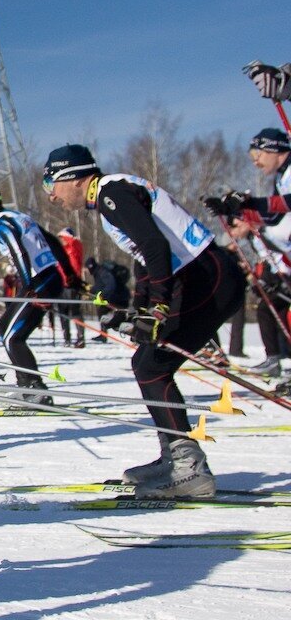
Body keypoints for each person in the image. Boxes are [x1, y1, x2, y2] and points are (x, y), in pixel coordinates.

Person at [44, 143, 243, 498]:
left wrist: (159, 307)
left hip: (205, 275)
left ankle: (188, 467)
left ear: (73, 178)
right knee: (147, 362)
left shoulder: (111, 193)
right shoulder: (112, 196)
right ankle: (175, 456)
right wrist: (140, 307)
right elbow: (145, 257)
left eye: (51, 186)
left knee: (152, 366)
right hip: (203, 275)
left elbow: (154, 246)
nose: (52, 197)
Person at [206, 128, 291, 377]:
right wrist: (235, 209)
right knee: (271, 308)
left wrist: (247, 205)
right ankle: (276, 360)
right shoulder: (281, 177)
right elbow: (274, 216)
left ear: (274, 149)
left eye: (258, 153)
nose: (254, 160)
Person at [0, 184, 62, 403]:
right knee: (4, 328)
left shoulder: (2, 224)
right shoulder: (18, 216)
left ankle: (35, 388)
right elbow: (53, 242)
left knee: (12, 336)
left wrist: (29, 287)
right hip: (45, 279)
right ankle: (26, 385)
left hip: (39, 282)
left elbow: (18, 252)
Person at [56, 227, 86, 347]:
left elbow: (74, 264)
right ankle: (67, 338)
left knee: (73, 311)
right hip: (63, 283)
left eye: (62, 238)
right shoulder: (67, 248)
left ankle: (79, 337)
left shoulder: (72, 247)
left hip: (70, 284)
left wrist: (71, 277)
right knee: (64, 312)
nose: (61, 241)